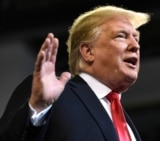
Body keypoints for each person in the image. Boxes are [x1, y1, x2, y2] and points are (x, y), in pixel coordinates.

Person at [0, 5, 150, 141]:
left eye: (136, 39)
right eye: (121, 36)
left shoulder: (125, 122)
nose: (135, 46)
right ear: (88, 51)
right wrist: (38, 107)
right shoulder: (53, 96)